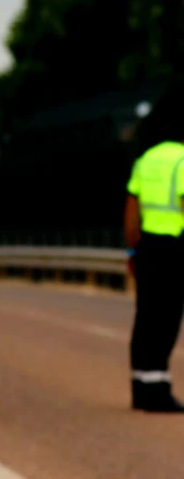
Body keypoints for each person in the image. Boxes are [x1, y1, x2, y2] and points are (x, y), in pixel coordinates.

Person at [124, 113, 184, 412]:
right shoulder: (183, 160)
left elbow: (132, 213)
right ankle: (158, 391)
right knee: (167, 319)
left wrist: (133, 252)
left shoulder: (145, 160)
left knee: (145, 316)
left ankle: (140, 388)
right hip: (175, 247)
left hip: (147, 247)